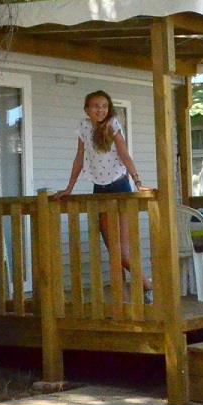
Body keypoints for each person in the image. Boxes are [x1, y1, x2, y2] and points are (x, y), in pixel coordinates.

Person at [57, 89, 152, 302]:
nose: (100, 110)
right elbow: (79, 158)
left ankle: (147, 287)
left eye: (104, 106)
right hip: (99, 189)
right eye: (95, 106)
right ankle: (128, 296)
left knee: (121, 252)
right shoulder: (84, 127)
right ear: (87, 109)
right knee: (113, 250)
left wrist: (137, 181)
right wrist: (69, 188)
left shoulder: (113, 125)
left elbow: (124, 154)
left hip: (119, 186)